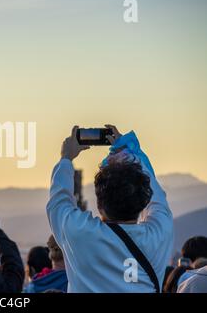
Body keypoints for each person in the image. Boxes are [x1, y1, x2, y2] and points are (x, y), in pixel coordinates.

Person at [46, 125, 173, 292]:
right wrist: (129, 151)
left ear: (99, 203)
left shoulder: (80, 232)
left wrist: (66, 158)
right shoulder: (158, 235)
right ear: (143, 201)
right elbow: (157, 196)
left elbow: (58, 200)